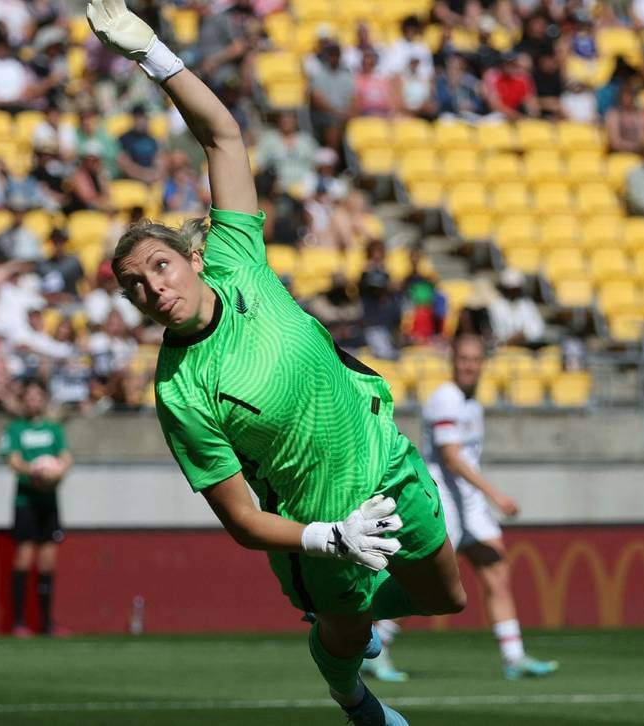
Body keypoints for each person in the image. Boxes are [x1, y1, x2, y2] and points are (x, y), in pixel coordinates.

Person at [88, 3, 467, 723]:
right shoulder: (178, 389)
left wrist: (152, 53)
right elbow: (238, 518)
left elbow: (223, 136)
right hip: (320, 524)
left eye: (161, 267)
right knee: (350, 638)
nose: (153, 288)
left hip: (384, 459)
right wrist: (330, 539)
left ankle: (346, 634)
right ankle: (344, 683)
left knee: (444, 596)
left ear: (194, 258)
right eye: (134, 286)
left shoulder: (236, 258)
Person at [371, 336, 559, 683]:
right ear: (453, 361)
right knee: (427, 584)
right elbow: (453, 458)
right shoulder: (446, 399)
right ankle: (377, 646)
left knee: (497, 571)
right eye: (463, 359)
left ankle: (513, 656)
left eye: (475, 359)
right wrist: (496, 495)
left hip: (469, 504)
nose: (469, 365)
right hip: (444, 501)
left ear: (484, 363)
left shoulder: (472, 403)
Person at [0, 380, 73, 638]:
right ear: (23, 401)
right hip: (26, 502)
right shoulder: (15, 429)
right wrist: (36, 472)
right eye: (28, 397)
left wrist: (57, 472)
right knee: (23, 558)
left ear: (43, 399)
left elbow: (66, 457)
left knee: (47, 562)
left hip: (49, 502)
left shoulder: (54, 429)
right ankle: (18, 621)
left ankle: (47, 622)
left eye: (37, 396)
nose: (33, 401)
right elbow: (12, 460)